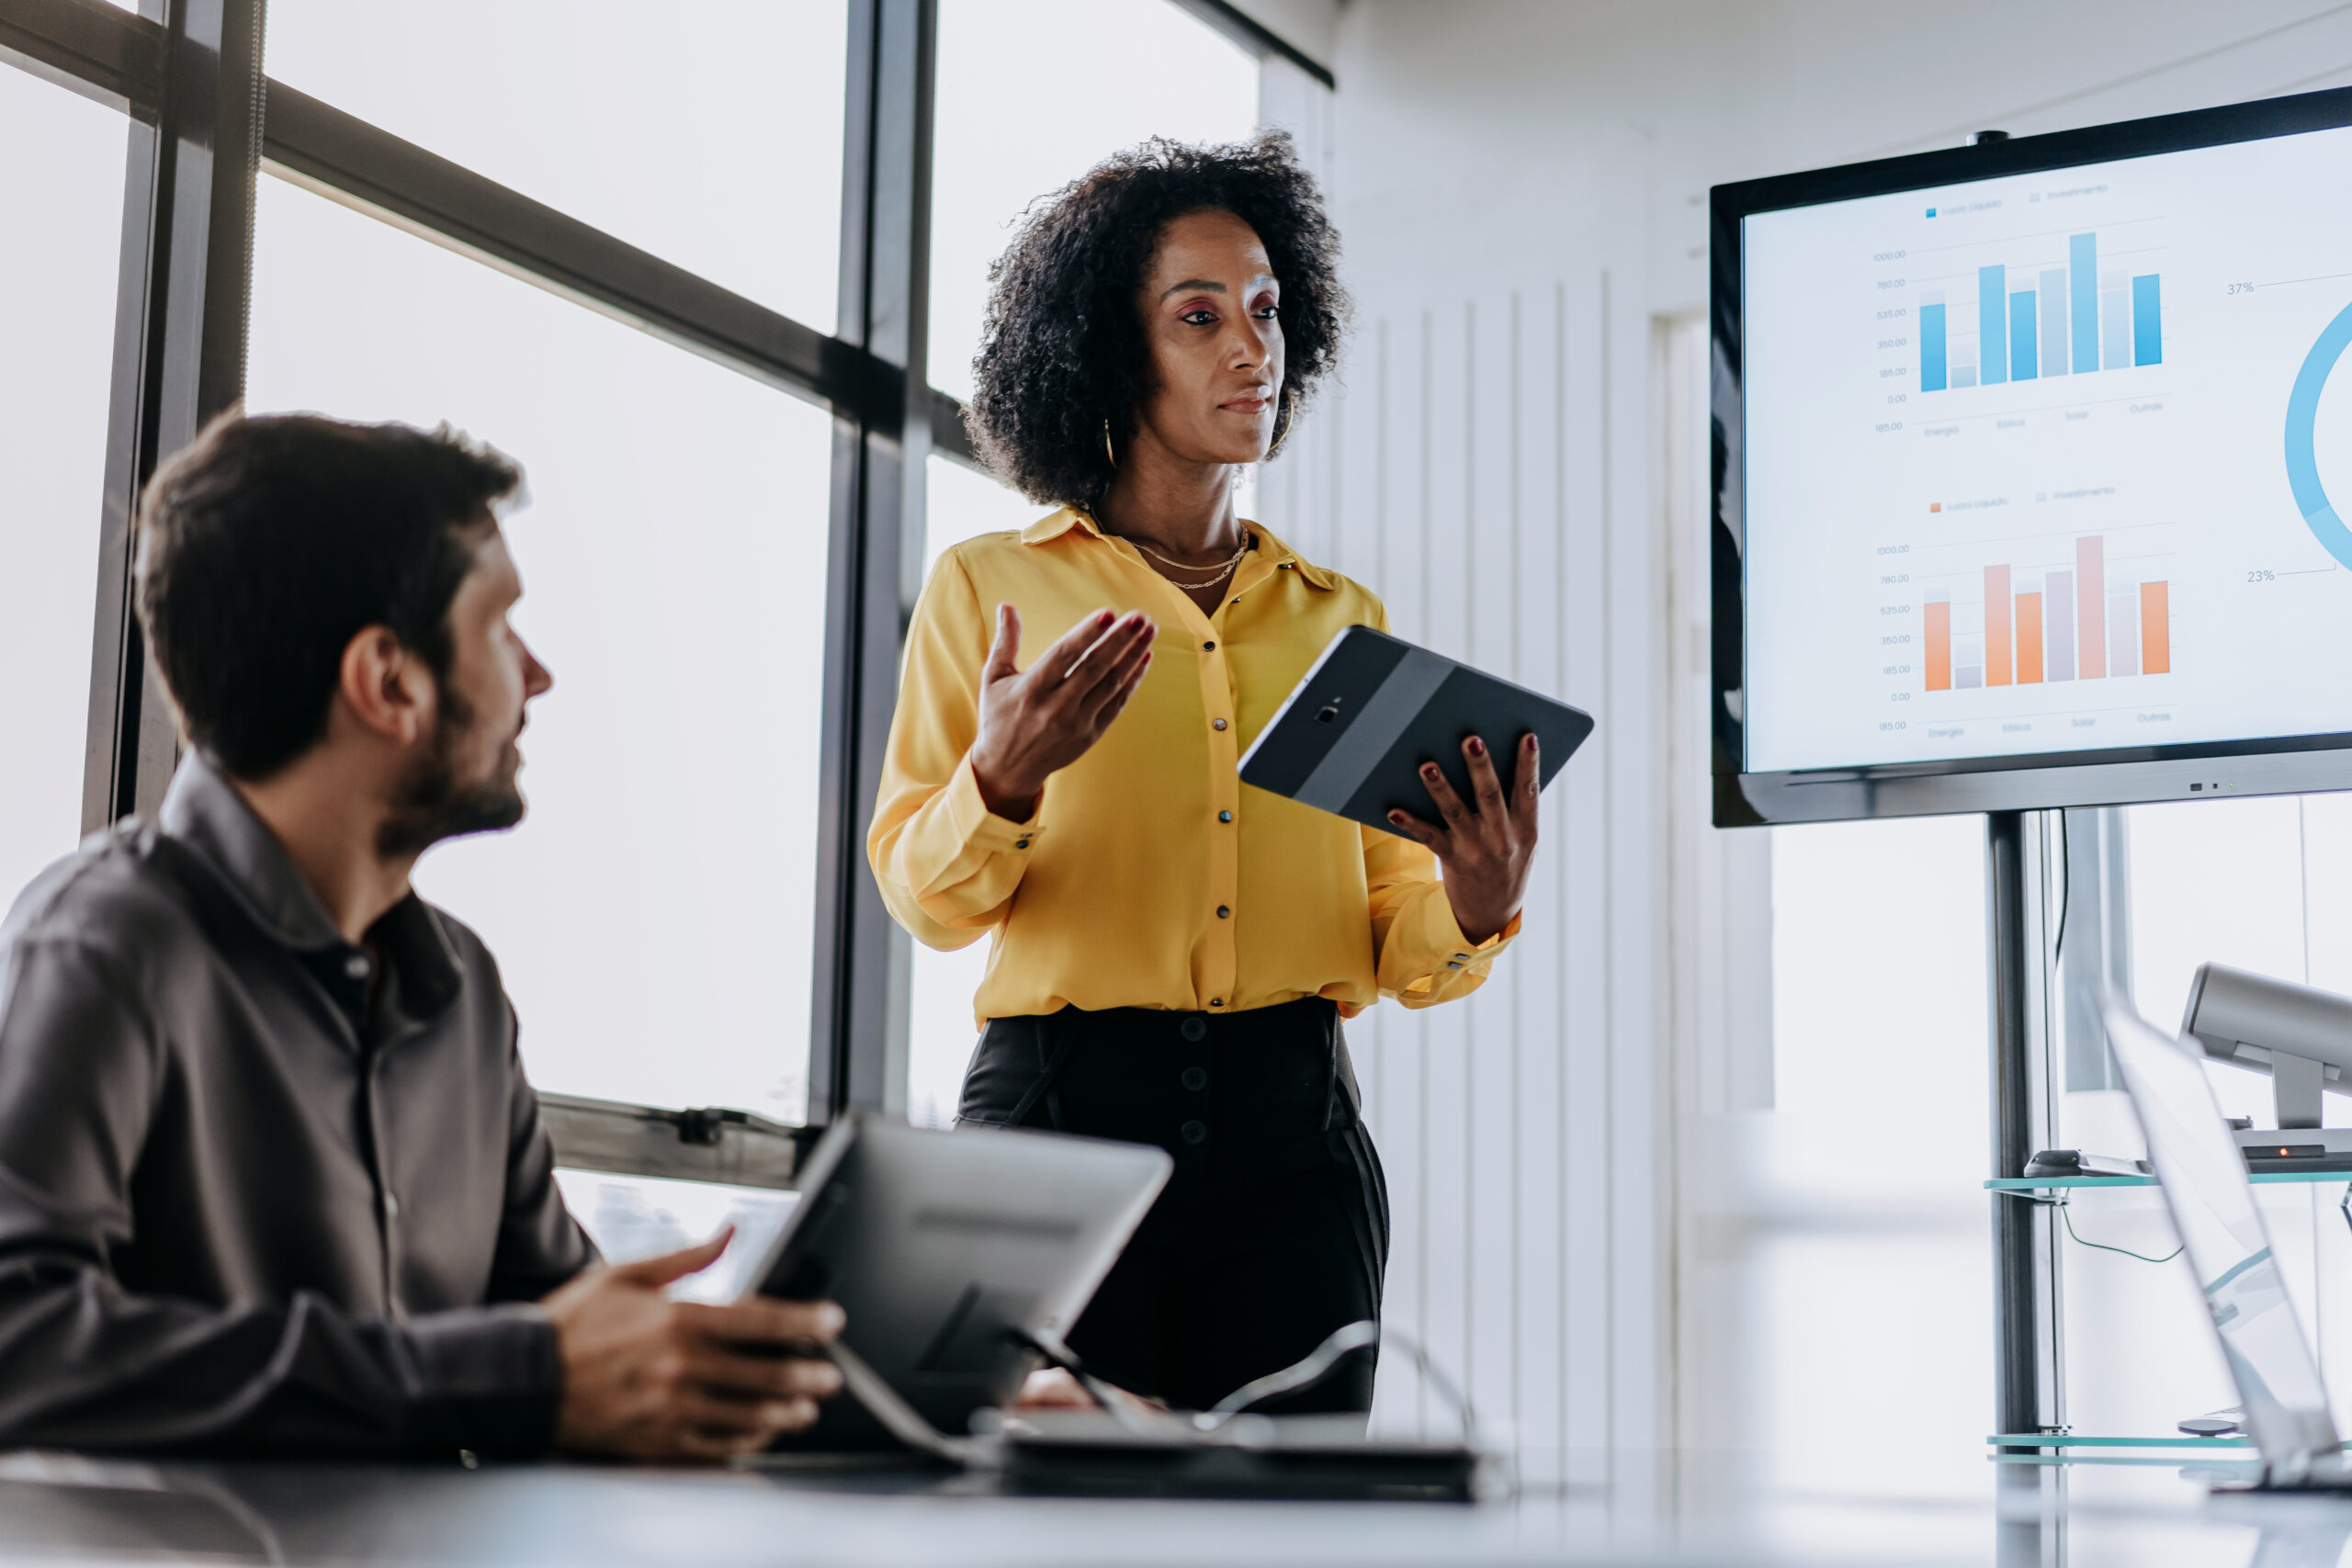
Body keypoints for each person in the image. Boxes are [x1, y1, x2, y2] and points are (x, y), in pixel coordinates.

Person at [0, 413, 843, 1459]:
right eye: (501, 628)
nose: (536, 676)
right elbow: (19, 1341)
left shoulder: (462, 992)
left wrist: (886, 1400)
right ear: (390, 682)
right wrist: (503, 1376)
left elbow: (574, 1337)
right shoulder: (104, 949)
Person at [868, 132, 1538, 1416]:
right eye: (1199, 315)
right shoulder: (989, 590)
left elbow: (1403, 943)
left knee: (1290, 1524)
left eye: (1269, 309)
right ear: (1112, 352)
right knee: (1051, 1515)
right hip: (1056, 1128)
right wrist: (998, 782)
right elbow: (926, 895)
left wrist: (1474, 894)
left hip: (1294, 1150)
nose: (1252, 346)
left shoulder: (1336, 618)